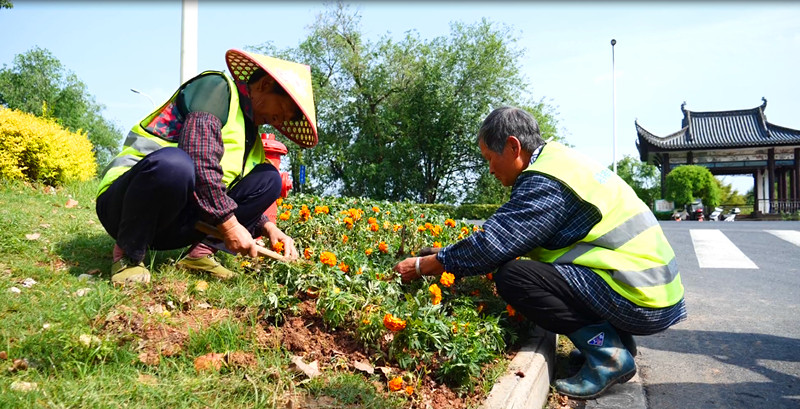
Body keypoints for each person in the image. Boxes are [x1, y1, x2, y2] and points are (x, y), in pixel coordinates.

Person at [393, 106, 687, 399]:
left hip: (640, 298)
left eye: (490, 159)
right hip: (651, 290)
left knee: (515, 277)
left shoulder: (544, 181)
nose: (491, 169)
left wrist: (424, 265)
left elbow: (494, 244)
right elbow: (510, 236)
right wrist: (446, 253)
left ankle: (606, 353)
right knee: (529, 270)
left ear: (512, 146)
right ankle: (619, 341)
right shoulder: (559, 162)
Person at [96, 50, 318, 286]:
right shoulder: (216, 89)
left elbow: (228, 190)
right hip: (125, 207)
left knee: (269, 180)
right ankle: (128, 256)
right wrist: (230, 226)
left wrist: (268, 227)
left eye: (283, 120)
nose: (277, 122)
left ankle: (200, 255)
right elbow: (199, 159)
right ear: (264, 84)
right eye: (281, 112)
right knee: (176, 165)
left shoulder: (249, 135)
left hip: (174, 224)